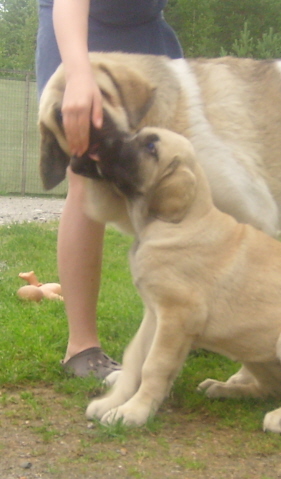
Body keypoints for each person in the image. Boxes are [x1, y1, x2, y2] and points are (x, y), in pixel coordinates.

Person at [36, 0, 183, 381]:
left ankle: (183, 319)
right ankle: (82, 348)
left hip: (146, 30)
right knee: (86, 174)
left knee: (168, 167)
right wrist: (78, 74)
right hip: (79, 29)